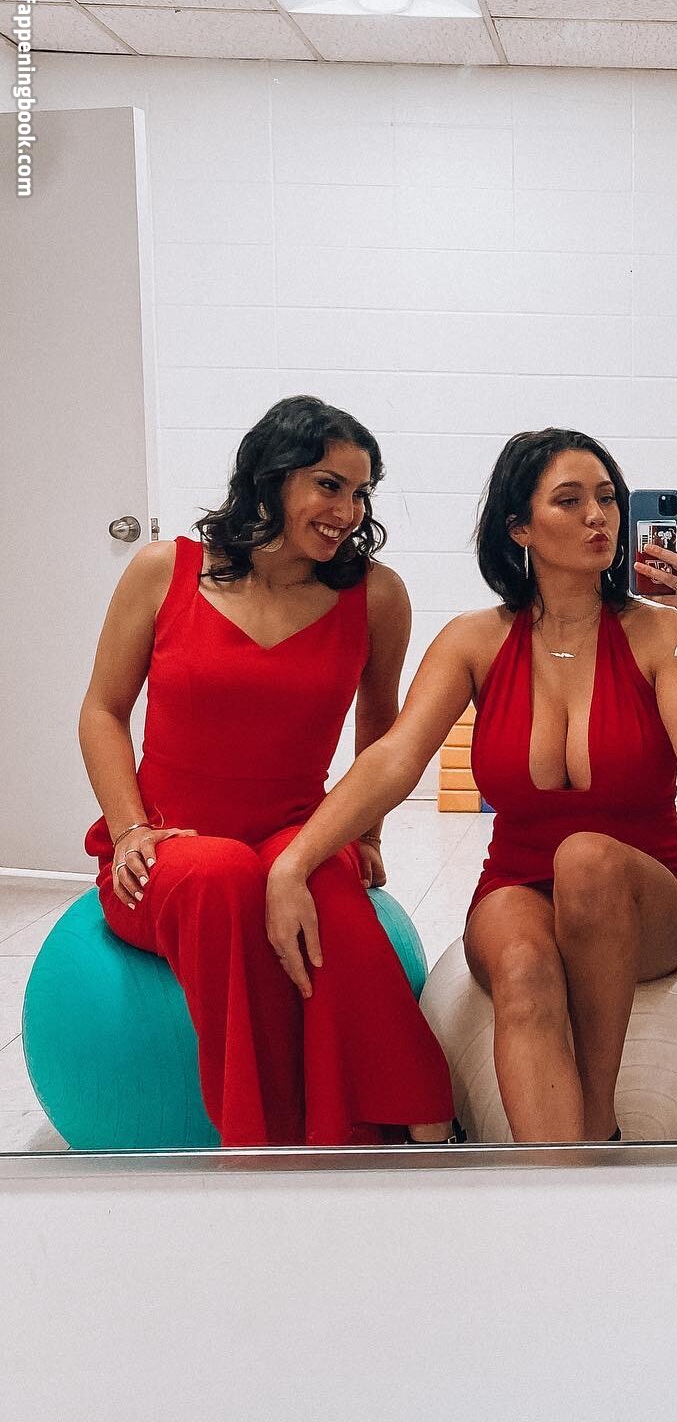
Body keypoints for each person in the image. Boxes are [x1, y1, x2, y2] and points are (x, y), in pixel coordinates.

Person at [266, 428, 677, 1143]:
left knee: (587, 857)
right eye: (570, 501)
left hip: (647, 895)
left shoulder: (659, 634)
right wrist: (297, 859)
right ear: (519, 527)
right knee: (522, 969)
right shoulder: (475, 640)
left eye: (608, 499)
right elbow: (395, 757)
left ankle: (598, 1124)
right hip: (517, 881)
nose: (598, 517)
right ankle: (552, 1183)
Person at [79, 395, 455, 1146]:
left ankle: (427, 1127)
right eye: (328, 485)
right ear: (272, 476)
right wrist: (127, 832)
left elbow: (379, 727)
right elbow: (102, 710)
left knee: (330, 896)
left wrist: (365, 834)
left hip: (296, 831)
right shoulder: (164, 571)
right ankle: (264, 1149)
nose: (348, 512)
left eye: (361, 492)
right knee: (221, 876)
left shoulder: (377, 595)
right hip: (169, 846)